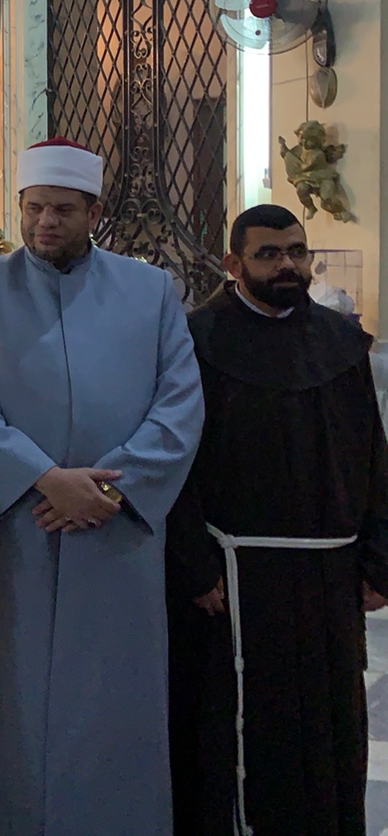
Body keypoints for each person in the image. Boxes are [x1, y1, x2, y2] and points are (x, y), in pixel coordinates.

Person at [0, 137, 203, 836]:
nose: (44, 222)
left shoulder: (150, 291)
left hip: (117, 532)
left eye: (61, 209)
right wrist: (44, 477)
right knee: (13, 702)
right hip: (19, 530)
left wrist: (112, 490)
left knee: (115, 701)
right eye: (33, 208)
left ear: (94, 211)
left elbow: (180, 403)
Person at [167, 204, 388, 836]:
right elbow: (175, 462)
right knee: (238, 729)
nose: (287, 264)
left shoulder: (341, 342)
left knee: (328, 726)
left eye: (296, 251)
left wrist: (379, 560)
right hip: (234, 581)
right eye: (269, 254)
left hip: (328, 578)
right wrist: (194, 565)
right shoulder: (197, 341)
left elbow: (372, 455)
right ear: (233, 264)